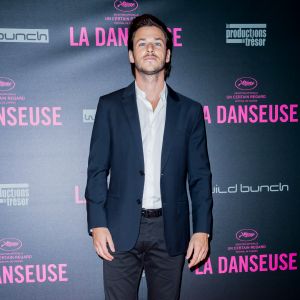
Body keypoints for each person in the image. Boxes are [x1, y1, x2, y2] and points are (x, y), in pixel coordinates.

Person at [85, 14, 213, 300]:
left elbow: (201, 177)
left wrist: (202, 230)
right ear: (131, 54)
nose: (150, 48)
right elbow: (96, 170)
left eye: (157, 43)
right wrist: (97, 223)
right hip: (119, 228)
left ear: (167, 54)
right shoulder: (109, 106)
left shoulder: (190, 111)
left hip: (171, 230)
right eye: (142, 43)